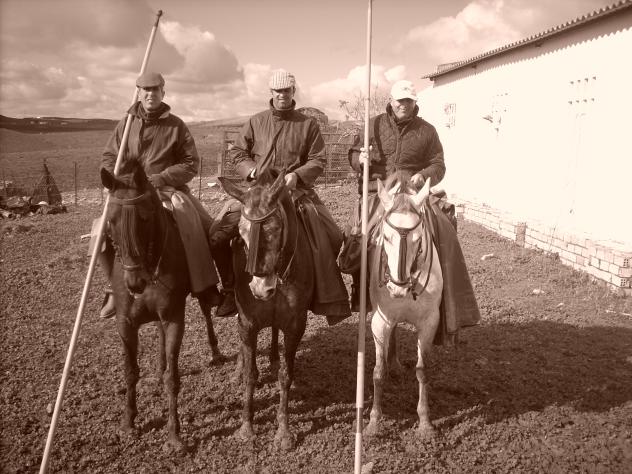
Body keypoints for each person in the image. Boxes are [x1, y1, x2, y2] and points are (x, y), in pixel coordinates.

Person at [214, 69, 351, 325]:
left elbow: (318, 159)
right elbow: (238, 153)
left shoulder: (307, 124)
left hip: (294, 191)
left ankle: (317, 292)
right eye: (278, 91)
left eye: (286, 90)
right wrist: (251, 170)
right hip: (256, 193)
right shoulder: (255, 121)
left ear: (293, 91)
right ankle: (231, 290)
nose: (282, 95)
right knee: (216, 235)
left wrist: (297, 176)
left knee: (332, 235)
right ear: (271, 92)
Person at [347, 79, 479, 342]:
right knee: (357, 238)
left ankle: (449, 301)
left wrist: (423, 175)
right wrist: (359, 160)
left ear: (414, 102)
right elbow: (352, 154)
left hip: (414, 192)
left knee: (445, 230)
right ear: (391, 101)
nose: (403, 105)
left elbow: (439, 164)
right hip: (380, 191)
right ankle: (363, 291)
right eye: (400, 100)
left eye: (408, 101)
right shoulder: (373, 125)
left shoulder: (427, 131)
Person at [96, 71, 237, 319]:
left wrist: (160, 178)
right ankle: (114, 289)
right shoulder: (126, 124)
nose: (150, 94)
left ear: (163, 92)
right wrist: (116, 180)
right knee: (99, 233)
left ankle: (204, 287)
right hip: (130, 194)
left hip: (167, 191)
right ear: (139, 93)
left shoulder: (176, 126)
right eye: (146, 90)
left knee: (199, 228)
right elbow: (109, 157)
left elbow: (190, 163)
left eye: (155, 90)